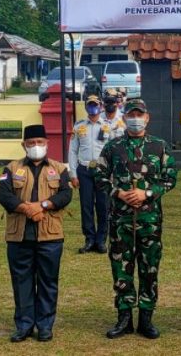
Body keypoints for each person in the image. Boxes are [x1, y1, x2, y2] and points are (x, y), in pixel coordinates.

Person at [96, 99, 177, 340]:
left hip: (149, 220)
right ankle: (124, 317)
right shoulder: (113, 147)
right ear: (124, 117)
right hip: (120, 219)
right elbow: (99, 176)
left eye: (139, 114)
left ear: (147, 117)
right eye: (131, 114)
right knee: (121, 267)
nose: (135, 118)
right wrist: (119, 192)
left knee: (149, 267)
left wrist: (147, 193)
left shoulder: (159, 147)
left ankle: (146, 318)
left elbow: (170, 178)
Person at [0, 124, 73, 343]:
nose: (36, 147)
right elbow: (4, 196)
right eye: (31, 143)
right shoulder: (11, 169)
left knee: (49, 281)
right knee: (22, 281)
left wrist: (43, 205)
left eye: (40, 142)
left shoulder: (59, 169)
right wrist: (27, 209)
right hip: (19, 236)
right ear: (24, 145)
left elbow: (66, 194)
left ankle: (45, 325)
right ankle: (24, 325)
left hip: (50, 235)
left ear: (47, 144)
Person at [68, 95, 112, 254]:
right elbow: (73, 151)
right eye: (90, 105)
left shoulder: (108, 126)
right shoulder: (79, 126)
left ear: (100, 106)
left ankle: (101, 241)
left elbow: (113, 151)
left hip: (103, 170)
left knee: (103, 205)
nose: (93, 108)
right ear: (86, 107)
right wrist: (72, 174)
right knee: (86, 206)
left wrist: (112, 172)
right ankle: (89, 239)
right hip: (84, 170)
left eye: (96, 105)